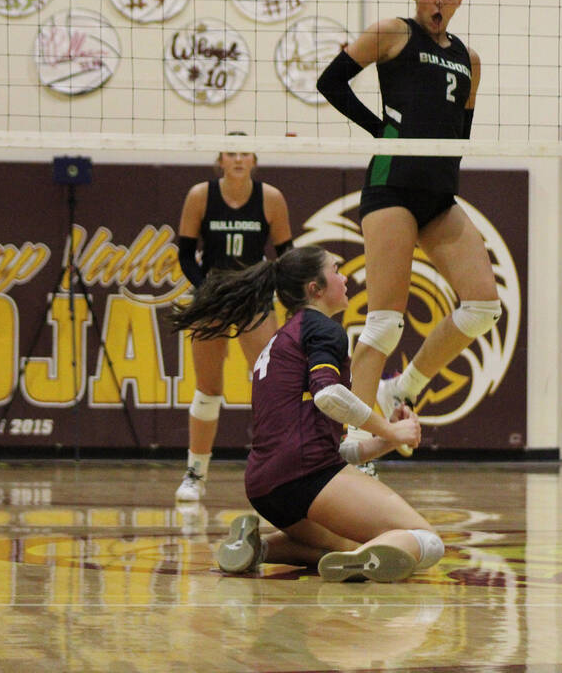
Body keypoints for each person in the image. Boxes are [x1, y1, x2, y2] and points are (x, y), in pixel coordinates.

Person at [171, 246, 442, 582]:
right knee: (427, 541)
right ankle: (358, 561)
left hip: (264, 487)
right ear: (315, 288)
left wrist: (385, 441)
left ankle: (258, 547)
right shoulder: (322, 329)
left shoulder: (280, 339)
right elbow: (328, 395)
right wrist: (389, 430)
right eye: (336, 269)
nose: (345, 278)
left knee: (341, 546)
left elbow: (319, 440)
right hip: (304, 475)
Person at [316, 0, 499, 450]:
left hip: (439, 194)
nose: (440, 0)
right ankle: (355, 442)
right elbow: (329, 83)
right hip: (392, 185)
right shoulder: (392, 32)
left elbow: (461, 131)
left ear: (460, 0)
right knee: (385, 321)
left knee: (483, 306)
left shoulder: (469, 59)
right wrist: (380, 128)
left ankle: (404, 387)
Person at [173, 146, 292, 501]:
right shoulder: (200, 195)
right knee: (208, 389)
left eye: (245, 153)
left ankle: (278, 471)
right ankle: (196, 473)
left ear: (255, 159)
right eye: (231, 153)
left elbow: (286, 255)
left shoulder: (270, 198)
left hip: (253, 298)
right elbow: (184, 253)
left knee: (271, 386)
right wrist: (207, 288)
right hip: (212, 296)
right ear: (220, 159)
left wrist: (266, 286)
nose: (238, 159)